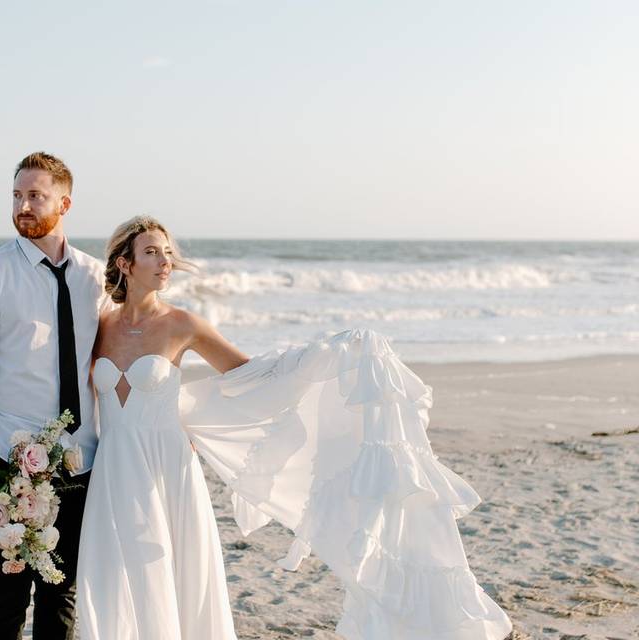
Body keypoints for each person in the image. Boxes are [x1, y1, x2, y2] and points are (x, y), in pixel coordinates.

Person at [76, 216, 513, 640]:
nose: (166, 261)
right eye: (152, 252)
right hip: (114, 464)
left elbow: (249, 375)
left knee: (162, 563)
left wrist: (330, 353)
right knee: (112, 568)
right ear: (124, 263)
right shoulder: (99, 326)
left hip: (165, 465)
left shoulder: (182, 323)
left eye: (168, 253)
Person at [0, 152, 108, 640]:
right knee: (9, 586)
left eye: (36, 196)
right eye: (17, 196)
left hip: (82, 456)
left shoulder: (96, 278)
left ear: (65, 202)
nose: (23, 206)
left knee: (63, 587)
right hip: (12, 452)